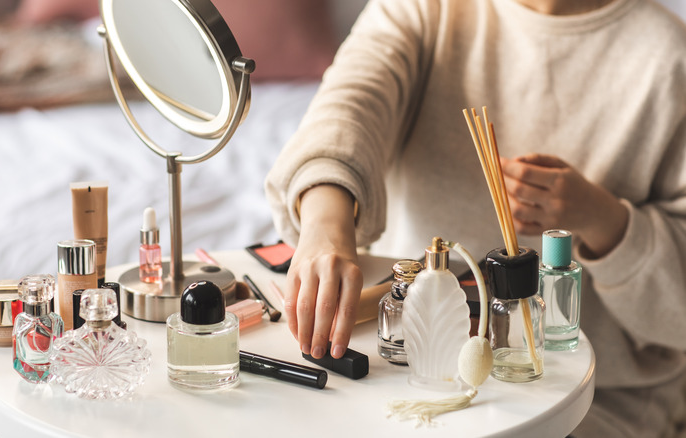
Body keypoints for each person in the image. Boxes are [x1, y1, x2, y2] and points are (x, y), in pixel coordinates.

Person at [264, 0, 686, 435]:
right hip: (405, 370)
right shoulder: (426, 10)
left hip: (596, 398)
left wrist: (603, 219)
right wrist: (325, 227)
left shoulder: (669, 55)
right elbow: (347, 107)